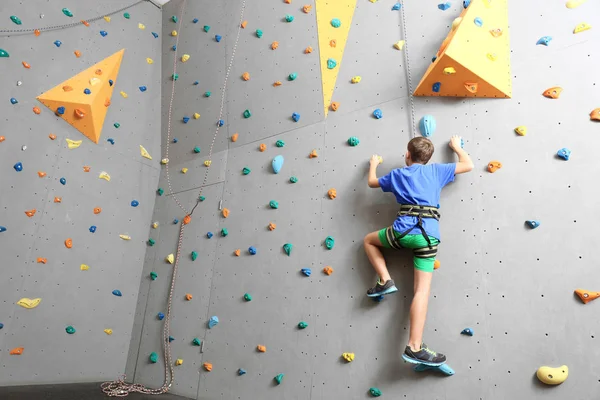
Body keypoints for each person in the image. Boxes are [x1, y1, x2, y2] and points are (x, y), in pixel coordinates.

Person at [364, 135, 474, 366]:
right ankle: (414, 346)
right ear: (428, 157)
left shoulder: (397, 174)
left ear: (407, 154)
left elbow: (372, 183)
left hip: (402, 233)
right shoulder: (437, 171)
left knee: (369, 241)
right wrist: (455, 147)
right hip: (429, 236)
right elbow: (469, 165)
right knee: (421, 291)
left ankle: (385, 279)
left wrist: (373, 164)